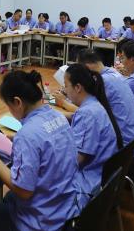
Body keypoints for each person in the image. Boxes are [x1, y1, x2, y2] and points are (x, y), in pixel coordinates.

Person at [0, 70, 79, 231]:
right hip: (66, 209)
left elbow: (24, 191)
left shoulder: (28, 134)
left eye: (9, 106)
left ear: (17, 102)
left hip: (43, 222)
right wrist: (16, 139)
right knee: (9, 198)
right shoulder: (58, 117)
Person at [53, 64, 120, 206]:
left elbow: (76, 160)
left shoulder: (87, 114)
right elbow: (78, 117)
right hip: (100, 177)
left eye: (66, 86)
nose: (64, 90)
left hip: (86, 186)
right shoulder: (94, 104)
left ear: (78, 87)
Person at [76, 50, 134, 155]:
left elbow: (88, 113)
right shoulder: (113, 73)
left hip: (123, 148)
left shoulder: (103, 82)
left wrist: (64, 103)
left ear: (86, 67)